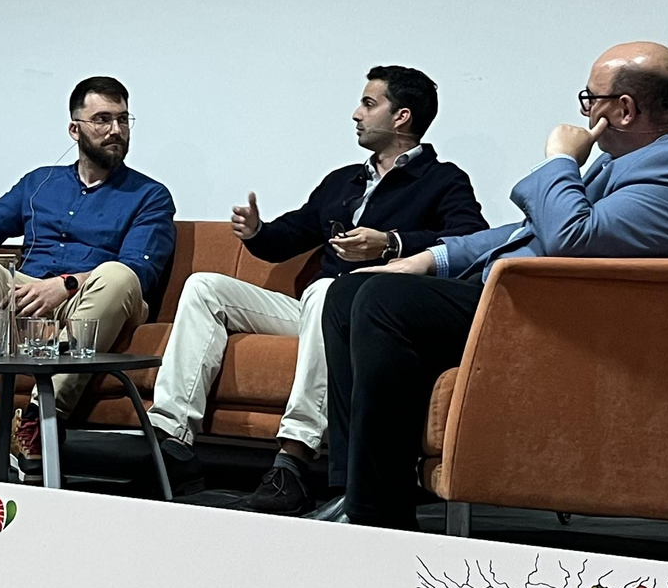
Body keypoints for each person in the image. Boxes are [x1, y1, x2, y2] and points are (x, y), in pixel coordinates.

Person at [314, 42, 668, 528]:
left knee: (383, 302)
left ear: (624, 109)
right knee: (350, 290)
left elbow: (571, 236)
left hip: (569, 323)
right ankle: (357, 490)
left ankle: (378, 515)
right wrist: (428, 259)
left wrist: (559, 161)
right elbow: (531, 229)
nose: (585, 112)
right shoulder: (642, 154)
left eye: (591, 99)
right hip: (539, 300)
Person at [147, 66, 486, 514]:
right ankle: (170, 442)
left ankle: (293, 459)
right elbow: (290, 236)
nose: (355, 114)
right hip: (315, 309)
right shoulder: (345, 180)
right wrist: (256, 231)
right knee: (205, 287)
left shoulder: (443, 180)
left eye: (368, 104)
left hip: (370, 313)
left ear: (402, 117)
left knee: (328, 290)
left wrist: (391, 243)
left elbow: (471, 241)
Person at [0, 76, 176, 484]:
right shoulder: (41, 182)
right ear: (75, 129)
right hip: (25, 292)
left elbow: (140, 271)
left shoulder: (149, 196)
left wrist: (64, 284)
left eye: (123, 120)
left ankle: (38, 421)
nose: (116, 130)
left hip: (95, 298)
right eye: (102, 119)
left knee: (117, 275)